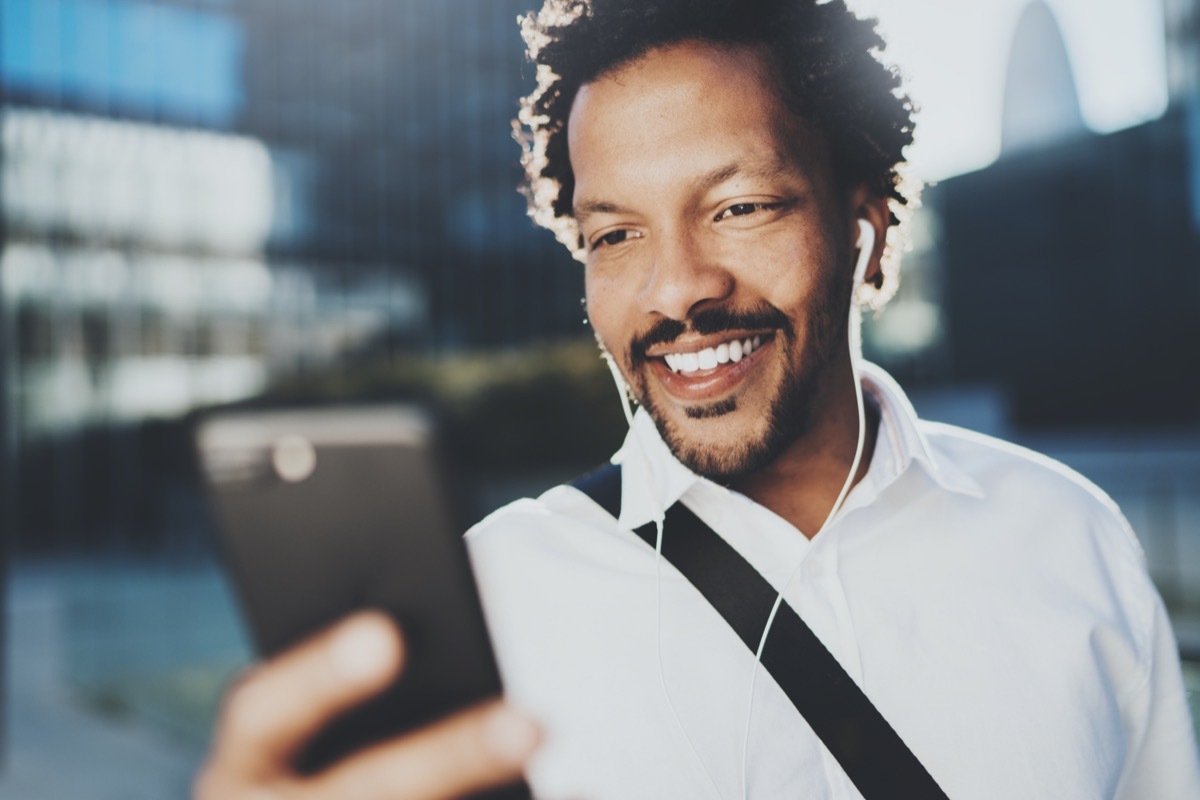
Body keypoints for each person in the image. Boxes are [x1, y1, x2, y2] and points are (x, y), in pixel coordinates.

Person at [195, 1, 1200, 798]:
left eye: (739, 207)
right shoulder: (484, 601)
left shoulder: (1072, 539)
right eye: (616, 235)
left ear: (872, 226)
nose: (676, 288)